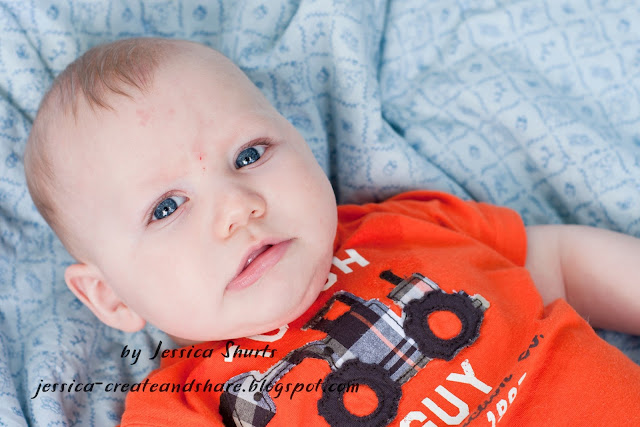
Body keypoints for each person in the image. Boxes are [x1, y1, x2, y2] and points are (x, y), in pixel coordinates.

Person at [24, 38, 640, 426]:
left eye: (249, 154)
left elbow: (562, 260)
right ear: (111, 297)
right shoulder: (183, 406)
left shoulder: (403, 227)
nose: (237, 207)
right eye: (166, 208)